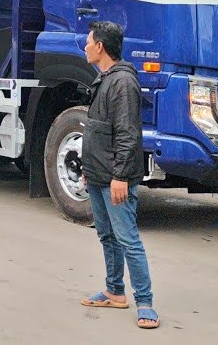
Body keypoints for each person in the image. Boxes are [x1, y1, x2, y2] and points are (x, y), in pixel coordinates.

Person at [79, 21, 157, 329]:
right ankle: (114, 291)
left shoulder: (123, 82)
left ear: (100, 47)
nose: (84, 46)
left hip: (116, 176)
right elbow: (100, 132)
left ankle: (146, 302)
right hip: (99, 174)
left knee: (127, 239)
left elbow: (127, 133)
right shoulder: (106, 78)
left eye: (88, 42)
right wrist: (89, 170)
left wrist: (121, 176)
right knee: (107, 235)